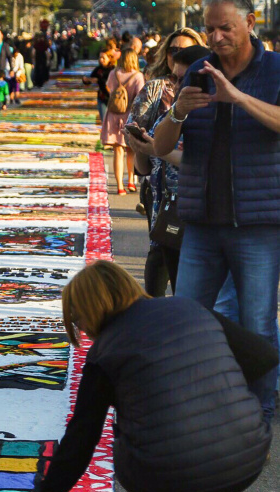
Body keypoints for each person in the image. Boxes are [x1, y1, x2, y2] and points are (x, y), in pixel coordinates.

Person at [0, 261, 273, 492]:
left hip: (170, 473)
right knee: (191, 424)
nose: (81, 329)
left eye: (77, 320)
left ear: (92, 309)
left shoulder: (104, 352)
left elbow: (80, 442)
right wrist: (235, 398)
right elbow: (264, 356)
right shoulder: (188, 307)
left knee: (125, 438)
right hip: (246, 460)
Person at [152, 0, 280, 422]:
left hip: (257, 224)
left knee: (257, 324)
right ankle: (186, 404)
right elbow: (162, 146)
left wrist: (237, 97)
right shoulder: (198, 70)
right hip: (202, 222)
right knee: (187, 318)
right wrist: (177, 111)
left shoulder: (274, 69)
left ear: (250, 22)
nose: (216, 37)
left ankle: (258, 410)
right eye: (210, 29)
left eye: (225, 28)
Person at [125, 29, 207, 296]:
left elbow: (202, 161)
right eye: (173, 51)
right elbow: (145, 162)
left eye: (185, 51)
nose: (177, 56)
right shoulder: (157, 89)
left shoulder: (212, 101)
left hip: (200, 203)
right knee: (161, 254)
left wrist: (158, 149)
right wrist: (143, 147)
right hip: (164, 197)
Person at [101, 49, 144, 195]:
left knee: (118, 151)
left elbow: (109, 88)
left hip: (113, 114)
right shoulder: (138, 76)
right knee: (131, 149)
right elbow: (140, 96)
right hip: (130, 115)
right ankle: (131, 180)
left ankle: (120, 186)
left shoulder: (113, 73)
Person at [83, 50, 115, 122]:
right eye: (100, 57)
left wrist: (98, 80)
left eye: (103, 58)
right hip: (102, 98)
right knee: (104, 121)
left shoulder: (113, 70)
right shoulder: (98, 69)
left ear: (109, 58)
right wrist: (86, 80)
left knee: (112, 121)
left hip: (112, 98)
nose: (101, 59)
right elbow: (91, 78)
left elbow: (108, 82)